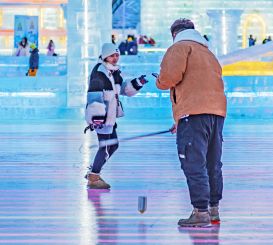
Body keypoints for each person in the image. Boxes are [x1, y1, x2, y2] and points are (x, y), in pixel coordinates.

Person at [156, 18, 227, 227]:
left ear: (174, 33)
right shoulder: (208, 54)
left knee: (193, 162)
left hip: (193, 115)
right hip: (216, 113)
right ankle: (213, 209)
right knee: (212, 163)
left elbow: (169, 78)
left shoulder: (180, 48)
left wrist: (158, 81)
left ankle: (200, 211)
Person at [84, 43, 149, 189]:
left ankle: (94, 170)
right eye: (112, 55)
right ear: (106, 56)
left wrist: (138, 82)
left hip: (110, 117)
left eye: (117, 55)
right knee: (106, 146)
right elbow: (94, 96)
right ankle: (94, 177)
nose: (115, 58)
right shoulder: (99, 72)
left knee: (112, 145)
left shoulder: (114, 72)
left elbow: (123, 89)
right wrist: (97, 118)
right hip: (102, 117)